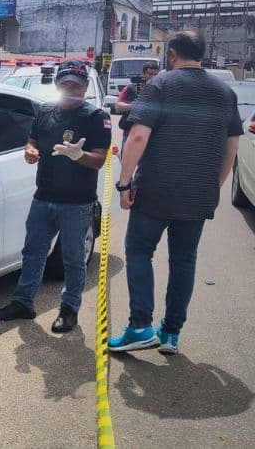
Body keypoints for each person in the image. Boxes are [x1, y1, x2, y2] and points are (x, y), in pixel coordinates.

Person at [109, 31, 242, 354]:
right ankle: (170, 334)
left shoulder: (162, 84)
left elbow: (138, 136)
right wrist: (215, 187)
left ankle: (140, 326)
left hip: (156, 188)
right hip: (198, 194)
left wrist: (125, 183)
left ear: (171, 55)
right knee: (184, 260)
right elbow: (231, 148)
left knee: (140, 251)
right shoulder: (225, 92)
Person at [0, 60, 112, 333]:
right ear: (57, 84)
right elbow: (33, 139)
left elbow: (99, 159)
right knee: (33, 252)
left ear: (84, 88)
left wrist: (80, 155)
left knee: (72, 259)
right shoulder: (45, 111)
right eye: (64, 84)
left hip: (77, 202)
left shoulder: (96, 118)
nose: (69, 89)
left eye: (76, 85)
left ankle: (69, 310)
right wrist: (30, 151)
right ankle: (23, 303)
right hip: (43, 196)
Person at [116, 61, 159, 153]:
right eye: (150, 74)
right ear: (143, 73)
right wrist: (133, 106)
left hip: (152, 134)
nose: (153, 77)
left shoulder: (160, 90)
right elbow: (118, 106)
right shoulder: (131, 88)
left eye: (156, 74)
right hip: (130, 132)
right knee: (126, 161)